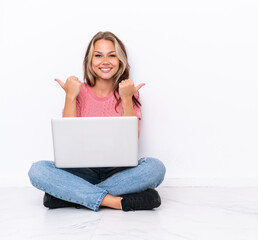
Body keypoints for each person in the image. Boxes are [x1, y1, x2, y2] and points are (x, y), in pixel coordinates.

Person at [28, 31, 166, 212]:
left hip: (119, 171)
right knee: (38, 170)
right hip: (83, 171)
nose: (105, 61)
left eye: (112, 55)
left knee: (155, 168)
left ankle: (70, 196)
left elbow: (132, 141)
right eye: (98, 55)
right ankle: (115, 201)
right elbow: (68, 142)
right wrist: (70, 96)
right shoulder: (77, 91)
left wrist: (126, 98)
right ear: (89, 61)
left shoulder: (128, 91)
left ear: (121, 61)